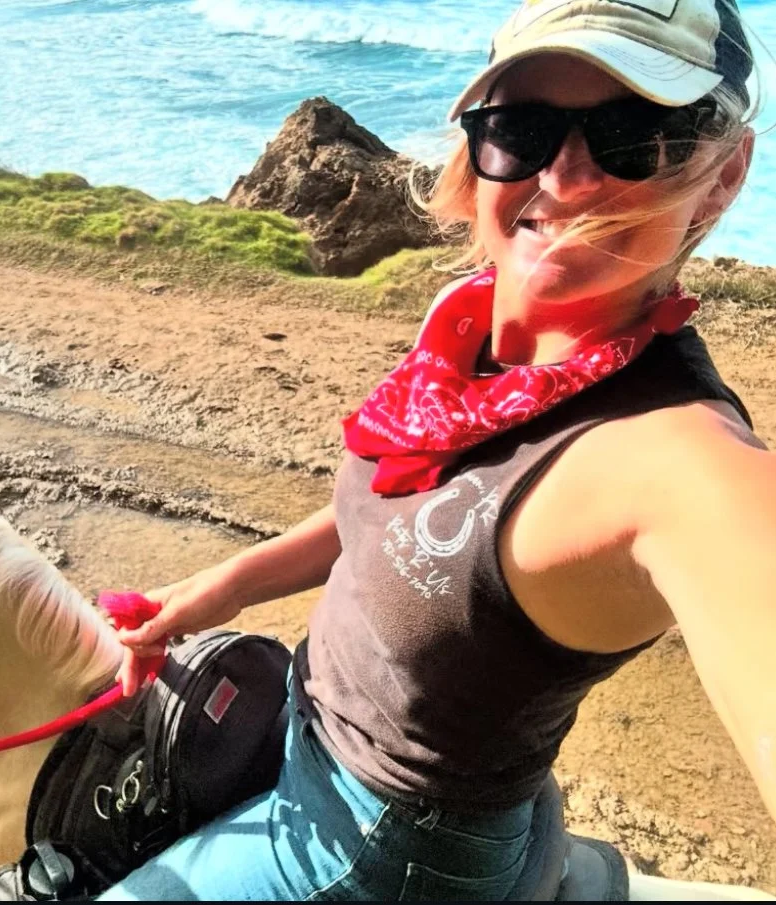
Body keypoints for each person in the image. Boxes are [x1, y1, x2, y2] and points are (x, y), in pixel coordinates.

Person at [104, 0, 773, 900]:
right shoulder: (468, 334)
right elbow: (408, 512)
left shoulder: (672, 458)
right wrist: (222, 586)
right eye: (521, 130)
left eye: (634, 135)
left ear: (723, 174)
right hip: (328, 741)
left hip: (383, 847)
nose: (563, 177)